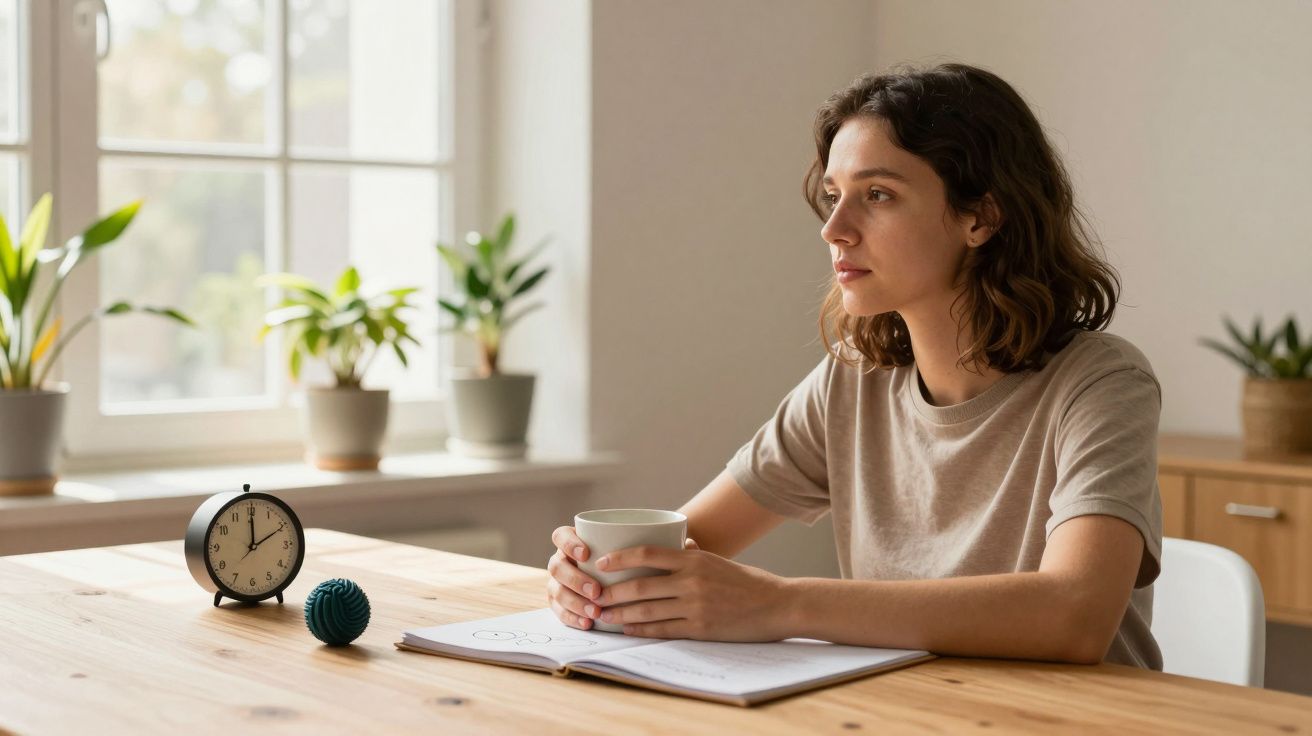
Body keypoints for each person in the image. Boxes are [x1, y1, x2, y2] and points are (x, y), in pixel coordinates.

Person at [546, 62, 1163, 669]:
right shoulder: (854, 380)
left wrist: (784, 604)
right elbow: (689, 548)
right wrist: (598, 576)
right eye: (834, 196)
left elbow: (1076, 614)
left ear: (982, 217)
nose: (834, 230)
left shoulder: (1102, 384)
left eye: (878, 195)